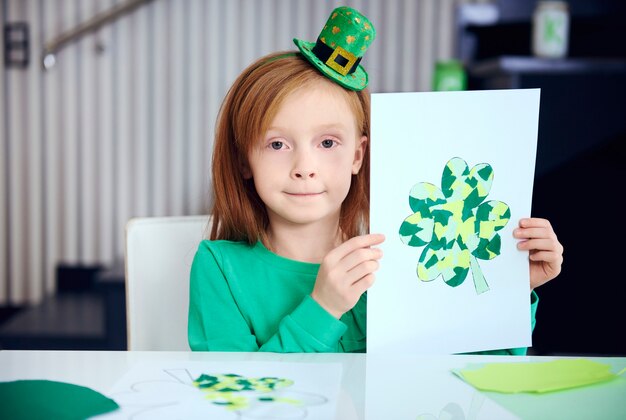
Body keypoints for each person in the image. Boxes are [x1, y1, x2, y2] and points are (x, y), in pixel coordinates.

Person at [188, 6, 564, 354]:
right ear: (243, 161)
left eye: (328, 142)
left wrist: (511, 291)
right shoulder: (218, 267)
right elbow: (236, 398)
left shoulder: (402, 260)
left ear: (357, 155)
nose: (305, 166)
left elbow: (466, 378)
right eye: (277, 143)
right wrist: (323, 308)